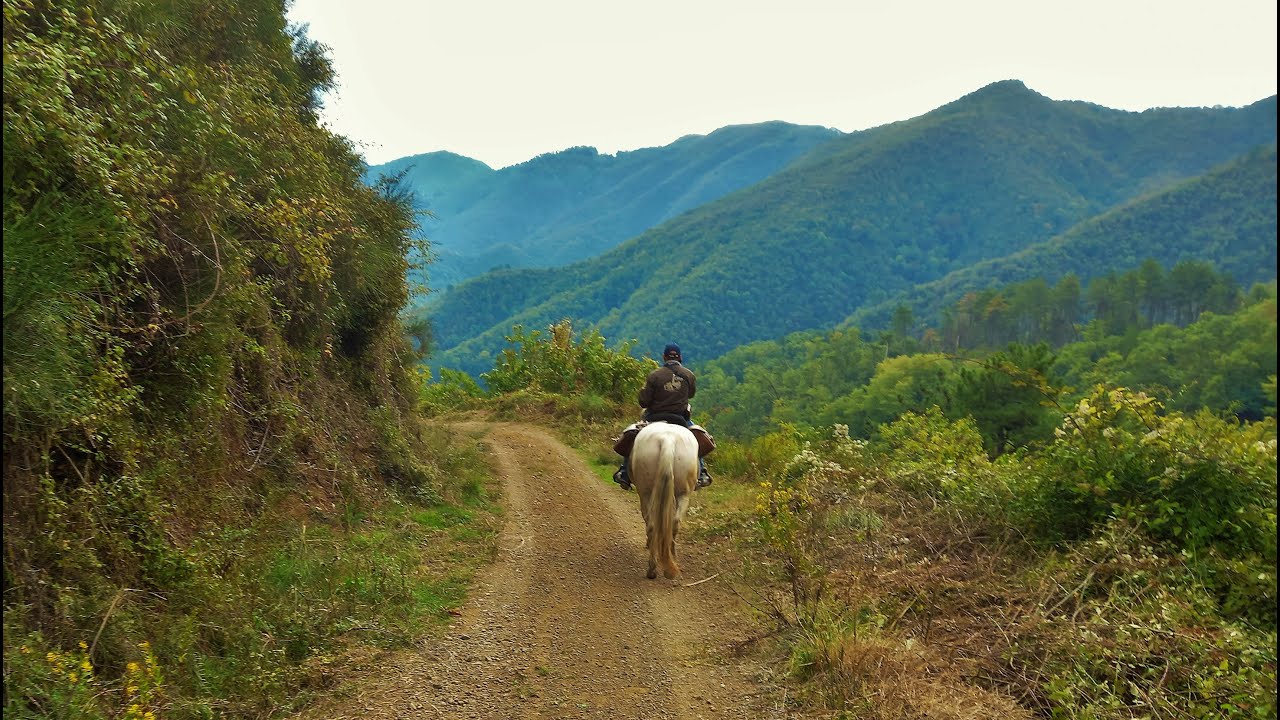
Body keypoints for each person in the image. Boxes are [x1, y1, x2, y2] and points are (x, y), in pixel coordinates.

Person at [614, 343, 713, 490]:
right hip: (680, 418)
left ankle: (624, 472)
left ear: (664, 357)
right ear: (680, 357)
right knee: (697, 437)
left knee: (633, 436)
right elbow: (691, 394)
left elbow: (644, 401)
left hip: (654, 417)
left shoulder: (655, 375)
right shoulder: (688, 375)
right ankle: (702, 472)